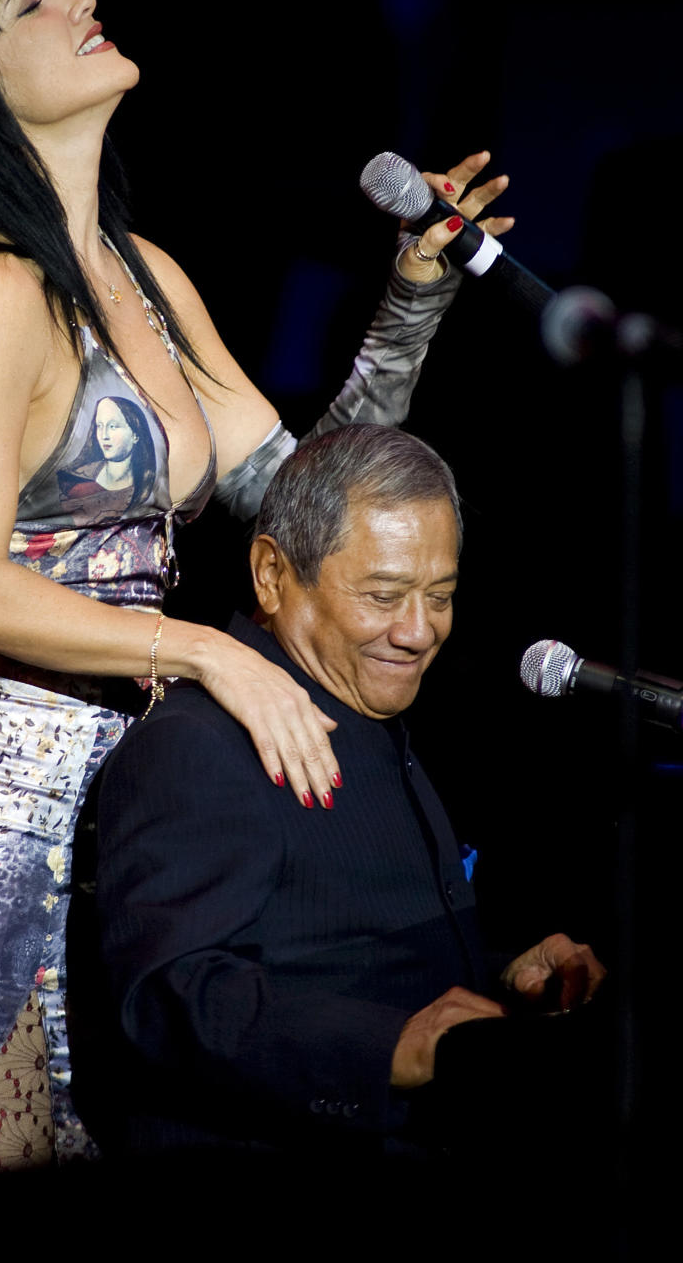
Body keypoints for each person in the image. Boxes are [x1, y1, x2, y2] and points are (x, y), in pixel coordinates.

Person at [0, 0, 514, 1254]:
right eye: (27, 4)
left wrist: (413, 295)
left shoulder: (147, 277)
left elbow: (299, 496)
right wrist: (211, 650)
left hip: (127, 801)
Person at [86, 424, 606, 1166]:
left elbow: (333, 948)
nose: (419, 630)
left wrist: (504, 969)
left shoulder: (364, 709)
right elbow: (172, 993)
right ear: (271, 574)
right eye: (384, 595)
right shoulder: (197, 743)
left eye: (442, 595)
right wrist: (393, 1045)